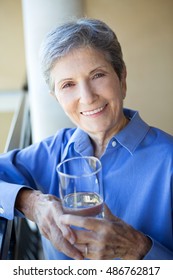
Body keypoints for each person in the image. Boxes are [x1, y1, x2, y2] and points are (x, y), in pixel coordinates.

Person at [0, 18, 173, 260]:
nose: (87, 97)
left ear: (122, 78)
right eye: (68, 84)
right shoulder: (52, 151)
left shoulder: (169, 161)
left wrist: (139, 249)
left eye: (97, 75)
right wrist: (31, 204)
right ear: (56, 97)